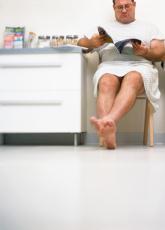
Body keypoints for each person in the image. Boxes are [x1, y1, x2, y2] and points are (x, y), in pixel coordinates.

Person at [78, 0, 164, 149]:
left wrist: (146, 52)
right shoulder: (104, 28)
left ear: (134, 5)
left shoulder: (149, 27)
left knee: (133, 77)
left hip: (139, 65)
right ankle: (108, 131)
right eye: (119, 7)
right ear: (114, 8)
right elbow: (80, 43)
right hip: (110, 65)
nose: (123, 10)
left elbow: (161, 51)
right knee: (106, 81)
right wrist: (93, 43)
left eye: (127, 6)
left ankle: (107, 122)